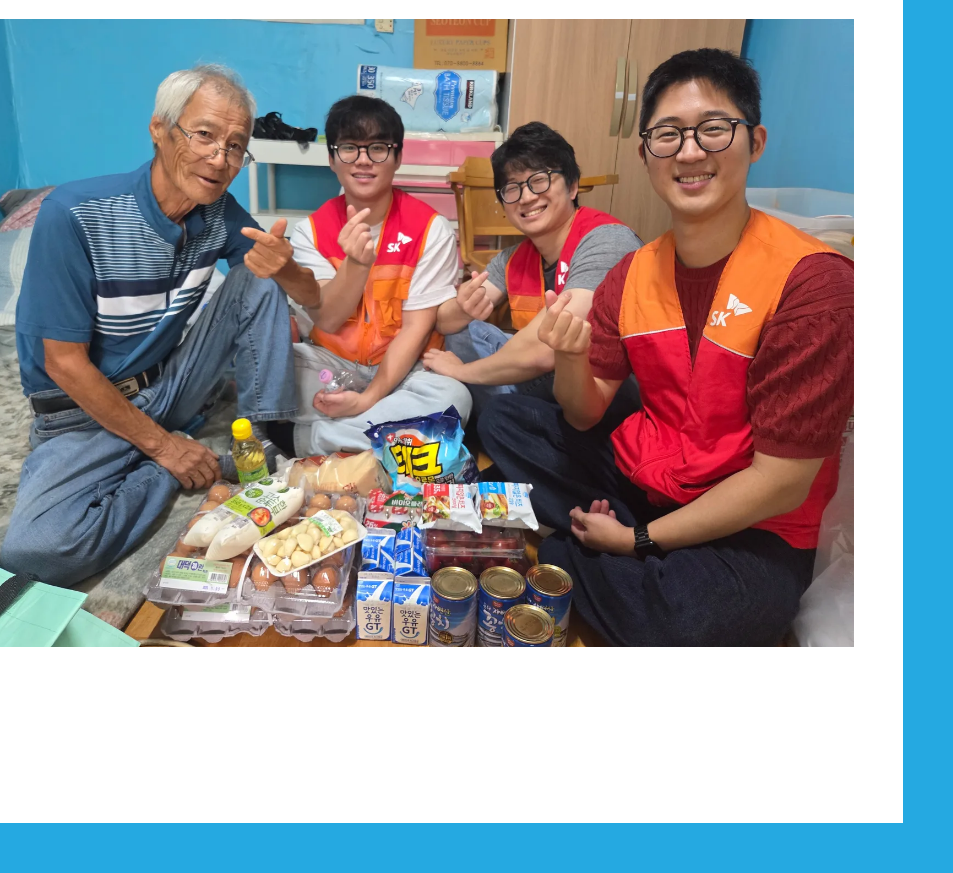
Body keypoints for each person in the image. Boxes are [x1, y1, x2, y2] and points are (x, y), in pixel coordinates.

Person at [477, 48, 854, 646]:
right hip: (652, 477)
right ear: (646, 154)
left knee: (697, 622)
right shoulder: (630, 274)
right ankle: (613, 553)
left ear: (755, 142)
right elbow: (584, 413)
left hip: (754, 521)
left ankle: (576, 550)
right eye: (669, 134)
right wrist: (571, 356)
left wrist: (638, 540)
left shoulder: (814, 283)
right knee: (505, 420)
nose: (690, 152)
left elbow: (782, 483)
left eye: (713, 129)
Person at [0, 64, 297, 587]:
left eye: (235, 146)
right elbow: (62, 363)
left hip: (166, 385)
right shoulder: (73, 214)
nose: (219, 157)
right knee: (40, 553)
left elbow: (280, 287)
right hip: (81, 413)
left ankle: (262, 442)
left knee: (259, 275)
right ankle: (165, 466)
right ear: (159, 129)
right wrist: (165, 450)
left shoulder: (219, 212)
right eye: (203, 134)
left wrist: (289, 266)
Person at [239, 95, 471, 455]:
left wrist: (368, 399)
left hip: (406, 373)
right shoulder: (311, 231)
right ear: (332, 159)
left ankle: (305, 440)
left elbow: (415, 330)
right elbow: (329, 319)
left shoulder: (430, 229)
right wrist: (355, 264)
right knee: (270, 371)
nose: (363, 160)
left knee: (453, 397)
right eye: (349, 148)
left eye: (377, 148)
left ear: (397, 157)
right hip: (330, 368)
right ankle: (386, 436)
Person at [420, 122, 642, 416]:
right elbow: (444, 322)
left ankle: (497, 413)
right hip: (541, 379)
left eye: (539, 180)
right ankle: (501, 412)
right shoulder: (513, 258)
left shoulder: (606, 240)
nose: (526, 197)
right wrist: (462, 307)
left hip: (599, 391)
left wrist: (462, 372)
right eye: (512, 188)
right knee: (461, 331)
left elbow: (545, 351)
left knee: (509, 385)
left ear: (572, 186)